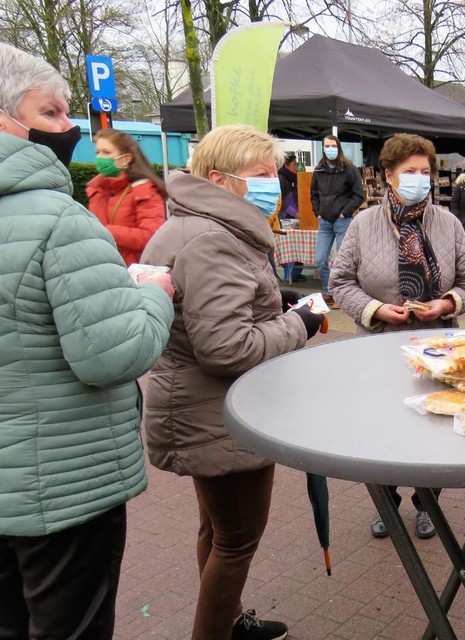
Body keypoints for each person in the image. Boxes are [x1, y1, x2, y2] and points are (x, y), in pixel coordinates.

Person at [0, 43, 175, 639]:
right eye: (49, 112)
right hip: (63, 485)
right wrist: (154, 294)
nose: (69, 129)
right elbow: (114, 354)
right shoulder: (57, 218)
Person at [142, 124, 325, 640]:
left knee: (219, 532)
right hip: (216, 411)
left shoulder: (200, 224)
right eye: (262, 174)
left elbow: (222, 308)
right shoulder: (212, 238)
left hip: (203, 408)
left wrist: (275, 300)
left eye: (275, 173)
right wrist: (300, 324)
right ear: (221, 179)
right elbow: (226, 349)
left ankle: (228, 624)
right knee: (237, 540)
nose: (275, 183)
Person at [330, 133, 465, 540]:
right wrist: (375, 309)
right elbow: (340, 281)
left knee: (434, 430)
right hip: (378, 348)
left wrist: (446, 304)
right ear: (388, 177)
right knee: (381, 430)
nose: (420, 179)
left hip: (437, 348)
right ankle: (386, 501)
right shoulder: (363, 224)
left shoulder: (447, 223)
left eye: (425, 171)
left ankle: (426, 502)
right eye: (409, 172)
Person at [86, 128, 167, 266]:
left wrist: (105, 231)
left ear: (126, 159)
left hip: (132, 270)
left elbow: (150, 236)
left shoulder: (144, 191)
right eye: (97, 152)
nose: (100, 157)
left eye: (106, 152)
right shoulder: (97, 189)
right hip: (103, 266)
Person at [310, 135, 365, 307]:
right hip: (325, 221)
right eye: (327, 146)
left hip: (342, 221)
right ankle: (328, 291)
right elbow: (313, 194)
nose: (330, 149)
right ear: (323, 148)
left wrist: (345, 212)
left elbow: (359, 194)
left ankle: (342, 293)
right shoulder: (319, 170)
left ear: (339, 147)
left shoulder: (349, 169)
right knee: (320, 259)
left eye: (333, 145)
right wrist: (317, 212)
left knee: (343, 260)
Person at [278, 152, 305, 282]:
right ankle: (290, 274)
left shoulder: (291, 179)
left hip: (293, 215)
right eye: (294, 164)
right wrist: (296, 213)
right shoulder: (283, 180)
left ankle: (295, 273)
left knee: (297, 245)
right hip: (287, 218)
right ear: (286, 166)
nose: (296, 167)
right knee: (291, 247)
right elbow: (283, 202)